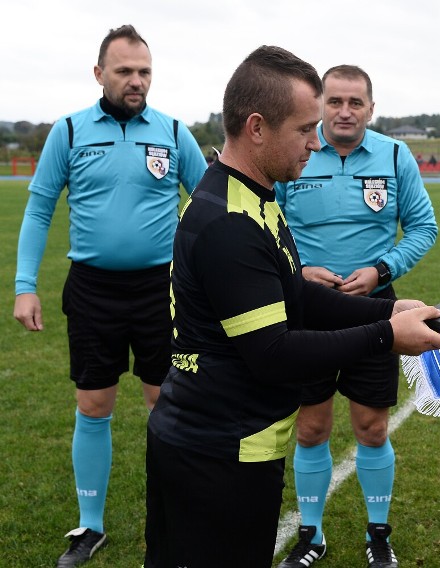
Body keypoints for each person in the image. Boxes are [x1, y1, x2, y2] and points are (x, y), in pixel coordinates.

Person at [143, 46, 440, 568]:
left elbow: (296, 295)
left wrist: (387, 313)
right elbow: (274, 353)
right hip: (217, 449)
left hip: (235, 440)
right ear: (257, 127)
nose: (316, 141)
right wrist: (388, 337)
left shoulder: (257, 197)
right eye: (305, 128)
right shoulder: (228, 223)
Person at [12, 25, 207, 567]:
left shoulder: (171, 130)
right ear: (99, 74)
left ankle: (172, 518)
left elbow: (211, 197)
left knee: (166, 405)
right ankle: (90, 527)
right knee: (93, 405)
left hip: (160, 291)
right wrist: (26, 285)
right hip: (93, 290)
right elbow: (39, 209)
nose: (136, 81)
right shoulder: (69, 132)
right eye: (125, 71)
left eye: (144, 71)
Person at [274, 64, 438, 568]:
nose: (345, 112)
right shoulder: (296, 150)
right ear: (321, 104)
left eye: (356, 103)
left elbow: (424, 227)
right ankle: (311, 535)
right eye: (335, 102)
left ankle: (378, 534)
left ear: (371, 107)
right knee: (311, 428)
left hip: (376, 311)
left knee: (371, 428)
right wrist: (298, 271)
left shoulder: (394, 154)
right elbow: (265, 225)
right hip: (308, 311)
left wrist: (381, 267)